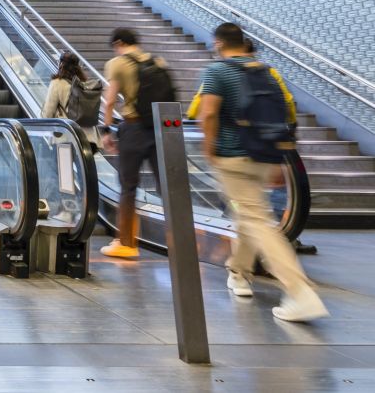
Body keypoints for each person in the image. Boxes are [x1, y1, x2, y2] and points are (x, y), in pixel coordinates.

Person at [197, 23, 327, 322]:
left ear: (218, 43)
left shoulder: (217, 72)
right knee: (248, 214)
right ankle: (239, 272)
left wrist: (209, 148)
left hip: (233, 157)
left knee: (256, 220)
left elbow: (208, 113)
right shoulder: (266, 72)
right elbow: (284, 114)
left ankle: (300, 291)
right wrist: (281, 159)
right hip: (264, 155)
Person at [99, 27, 171, 259]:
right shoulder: (158, 61)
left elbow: (109, 101)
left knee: (128, 187)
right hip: (159, 127)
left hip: (133, 127)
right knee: (167, 186)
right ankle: (180, 239)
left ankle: (127, 243)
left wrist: (106, 130)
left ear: (118, 42)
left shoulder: (117, 63)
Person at [42, 52, 102, 148]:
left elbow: (48, 111)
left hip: (67, 135)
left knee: (63, 163)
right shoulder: (85, 83)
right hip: (89, 137)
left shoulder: (57, 83)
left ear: (61, 64)